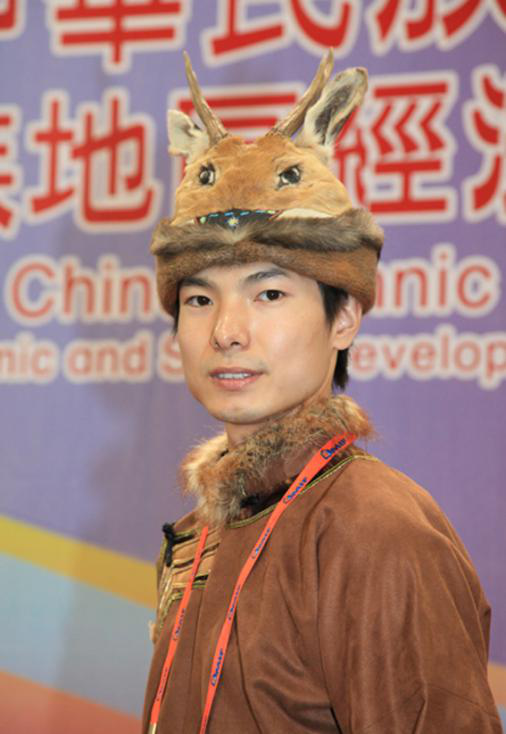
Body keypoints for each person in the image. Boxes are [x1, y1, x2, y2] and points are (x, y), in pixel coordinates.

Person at [142, 51, 502, 733]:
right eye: (199, 299)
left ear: (345, 318)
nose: (227, 332)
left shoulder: (377, 532)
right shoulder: (200, 533)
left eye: (269, 294)